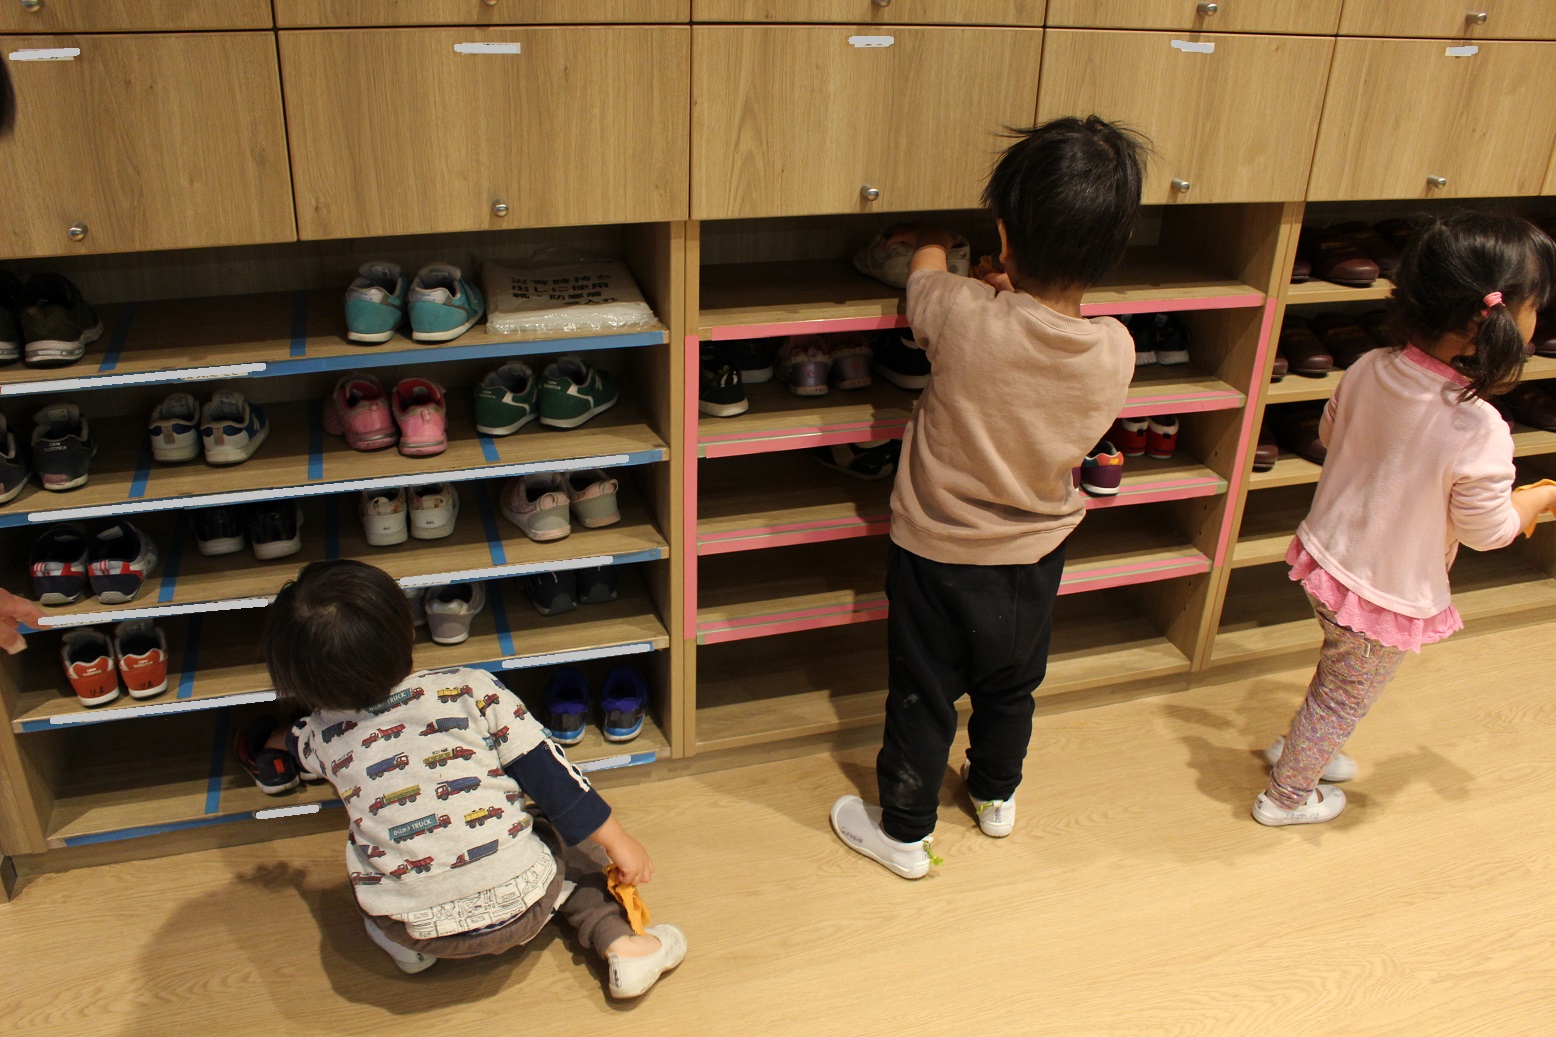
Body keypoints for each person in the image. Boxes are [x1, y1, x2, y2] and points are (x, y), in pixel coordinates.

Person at [830, 116, 1148, 878]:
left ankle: (904, 831)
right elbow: (1039, 345)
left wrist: (934, 237)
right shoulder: (1115, 348)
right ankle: (996, 794)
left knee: (924, 691)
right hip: (1036, 555)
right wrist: (1016, 293)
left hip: (937, 550)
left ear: (1003, 235)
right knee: (1012, 685)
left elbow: (923, 279)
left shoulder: (962, 313)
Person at [245, 559, 686, 995]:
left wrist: (268, 743)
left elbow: (292, 746)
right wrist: (619, 841)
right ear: (407, 630)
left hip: (412, 928)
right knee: (567, 839)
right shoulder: (472, 689)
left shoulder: (321, 735)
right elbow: (555, 781)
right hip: (525, 907)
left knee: (366, 855)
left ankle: (405, 951)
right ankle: (624, 944)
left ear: (297, 680)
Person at [1255, 210, 1556, 827]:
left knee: (1338, 672)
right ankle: (1287, 796)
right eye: (1536, 307)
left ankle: (1304, 748)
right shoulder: (1478, 426)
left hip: (1327, 558)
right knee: (1344, 695)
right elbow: (1486, 531)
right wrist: (1536, 500)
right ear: (1494, 319)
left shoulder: (1371, 364)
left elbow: (1329, 434)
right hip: (1382, 590)